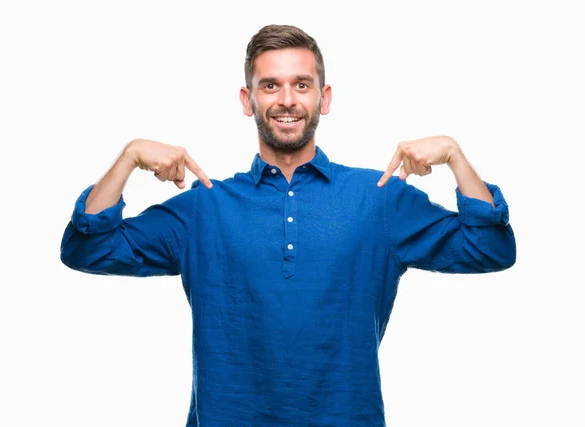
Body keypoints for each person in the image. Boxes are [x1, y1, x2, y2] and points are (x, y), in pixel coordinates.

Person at [60, 24, 516, 427]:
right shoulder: (205, 206)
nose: (286, 100)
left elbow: (491, 249)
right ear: (248, 100)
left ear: (325, 97)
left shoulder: (378, 198)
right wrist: (128, 158)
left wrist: (456, 156)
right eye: (270, 85)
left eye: (302, 84)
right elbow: (85, 249)